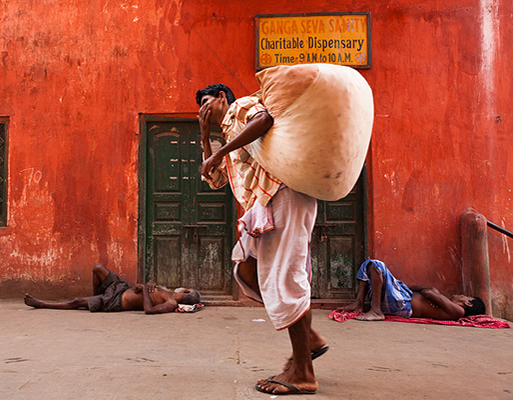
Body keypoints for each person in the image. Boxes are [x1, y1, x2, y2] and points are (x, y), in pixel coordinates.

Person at [196, 84, 325, 395]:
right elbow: (215, 178)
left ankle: (304, 373)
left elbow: (264, 119)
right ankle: (309, 340)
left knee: (285, 278)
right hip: (263, 203)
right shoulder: (227, 134)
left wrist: (222, 151)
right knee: (246, 272)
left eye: (205, 101)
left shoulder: (240, 107)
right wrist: (205, 138)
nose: (202, 109)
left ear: (222, 97)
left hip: (284, 193)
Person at [24, 263, 201, 314]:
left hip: (116, 301)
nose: (181, 288)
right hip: (120, 287)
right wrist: (149, 283)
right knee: (97, 268)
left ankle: (42, 304)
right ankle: (95, 297)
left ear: (185, 292)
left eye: (184, 288)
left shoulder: (170, 302)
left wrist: (145, 290)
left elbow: (148, 310)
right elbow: (151, 286)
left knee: (77, 302)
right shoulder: (167, 291)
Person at [343, 259, 486, 321]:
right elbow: (414, 288)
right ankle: (359, 303)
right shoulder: (447, 303)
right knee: (368, 264)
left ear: (468, 303)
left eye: (465, 296)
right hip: (403, 297)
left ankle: (376, 311)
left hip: (404, 305)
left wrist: (433, 292)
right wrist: (433, 291)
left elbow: (427, 292)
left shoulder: (458, 311)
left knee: (377, 265)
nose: (461, 294)